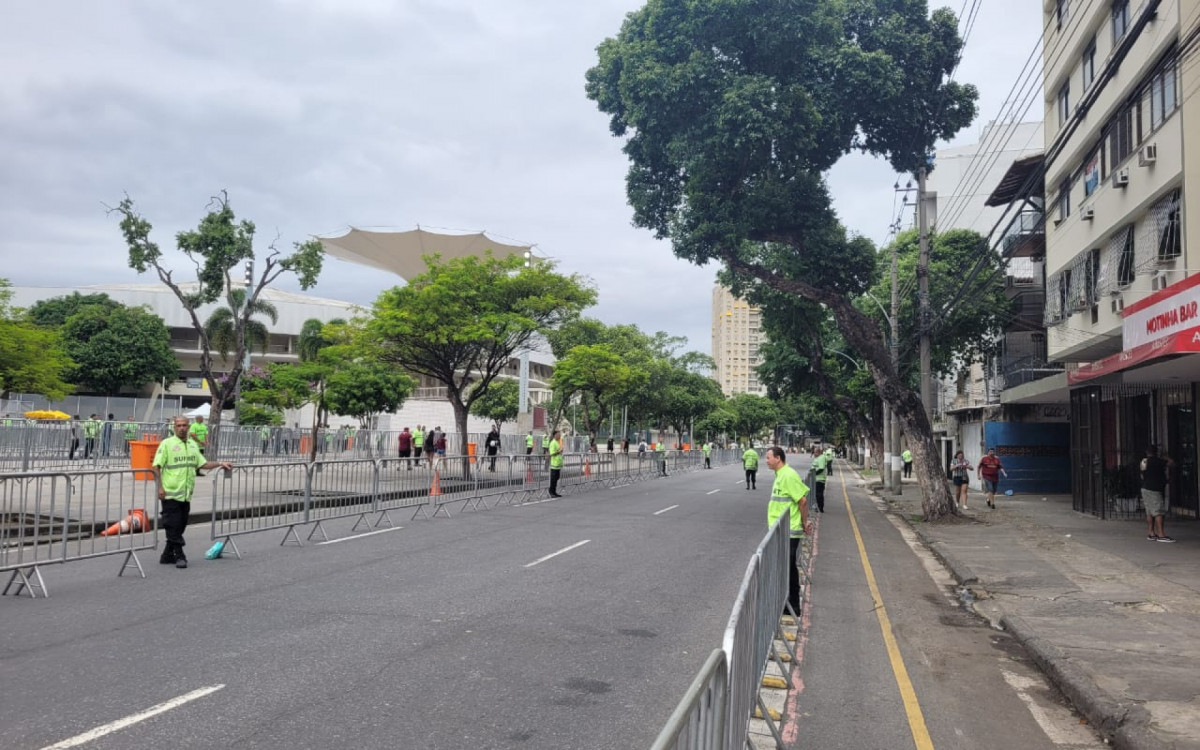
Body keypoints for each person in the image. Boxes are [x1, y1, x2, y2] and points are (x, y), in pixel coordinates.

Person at [153, 416, 232, 569]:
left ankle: (166, 555)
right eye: (178, 425)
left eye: (184, 425)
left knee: (180, 525)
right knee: (172, 525)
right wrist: (160, 487)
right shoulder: (167, 444)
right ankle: (179, 555)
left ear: (188, 427)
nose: (181, 428)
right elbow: (156, 466)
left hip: (186, 494)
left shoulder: (192, 445)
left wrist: (220, 463)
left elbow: (203, 464)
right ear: (174, 427)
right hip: (170, 493)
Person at [766, 446, 812, 616]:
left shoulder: (788, 475)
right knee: (788, 567)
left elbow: (803, 501)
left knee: (788, 567)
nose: (766, 460)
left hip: (790, 530)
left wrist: (803, 522)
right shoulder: (780, 475)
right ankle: (790, 603)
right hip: (782, 530)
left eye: (768, 457)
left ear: (778, 458)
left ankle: (793, 605)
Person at [1140, 445, 1175, 542]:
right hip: (1155, 489)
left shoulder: (1144, 461)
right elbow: (1171, 463)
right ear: (1156, 452)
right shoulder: (1159, 461)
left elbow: (1142, 474)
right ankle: (1161, 534)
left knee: (1149, 511)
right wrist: (1165, 455)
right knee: (1158, 511)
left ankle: (1151, 532)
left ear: (1147, 452)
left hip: (1145, 487)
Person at [810, 448, 829, 513]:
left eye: (815, 452)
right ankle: (818, 507)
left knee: (819, 494)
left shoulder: (821, 458)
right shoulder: (818, 458)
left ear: (818, 452)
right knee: (817, 494)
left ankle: (820, 507)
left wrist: (815, 474)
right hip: (816, 479)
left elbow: (821, 468)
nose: (814, 454)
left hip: (819, 479)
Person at [548, 429, 563, 497]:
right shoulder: (553, 443)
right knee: (553, 479)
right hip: (554, 464)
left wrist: (560, 451)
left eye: (559, 434)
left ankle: (554, 492)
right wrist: (559, 452)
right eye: (558, 434)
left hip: (558, 464)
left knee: (556, 478)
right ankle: (551, 492)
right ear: (554, 435)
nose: (559, 435)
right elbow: (551, 454)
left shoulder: (557, 442)